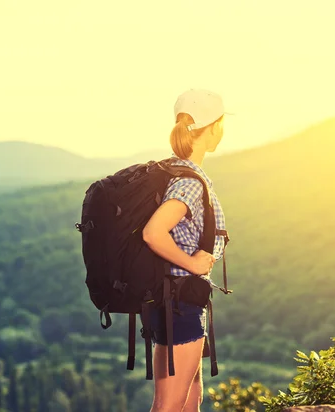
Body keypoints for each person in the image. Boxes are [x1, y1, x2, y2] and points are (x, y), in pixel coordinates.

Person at [141, 89, 229, 412]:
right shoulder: (190, 183)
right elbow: (153, 233)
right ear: (212, 128)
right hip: (180, 305)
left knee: (191, 400)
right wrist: (192, 264)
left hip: (174, 302)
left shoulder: (176, 173)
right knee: (170, 407)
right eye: (220, 124)